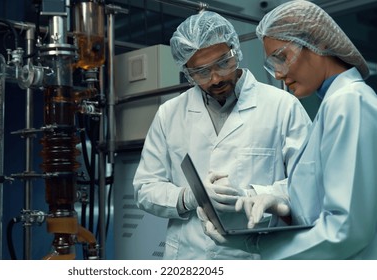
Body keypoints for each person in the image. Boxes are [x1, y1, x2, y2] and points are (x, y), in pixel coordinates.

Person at [199, 0, 377, 259]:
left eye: (282, 58)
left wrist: (258, 246)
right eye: (272, 64)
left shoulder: (349, 102)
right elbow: (321, 193)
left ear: (320, 42)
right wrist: (282, 202)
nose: (279, 74)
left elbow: (346, 229)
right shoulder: (333, 105)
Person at [132, 10, 312, 260]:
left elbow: (309, 183)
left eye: (222, 63)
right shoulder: (169, 114)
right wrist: (188, 197)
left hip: (255, 256)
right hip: (189, 257)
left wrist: (253, 195)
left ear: (235, 52)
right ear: (187, 72)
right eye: (202, 72)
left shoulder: (282, 107)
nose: (216, 78)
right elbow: (145, 188)